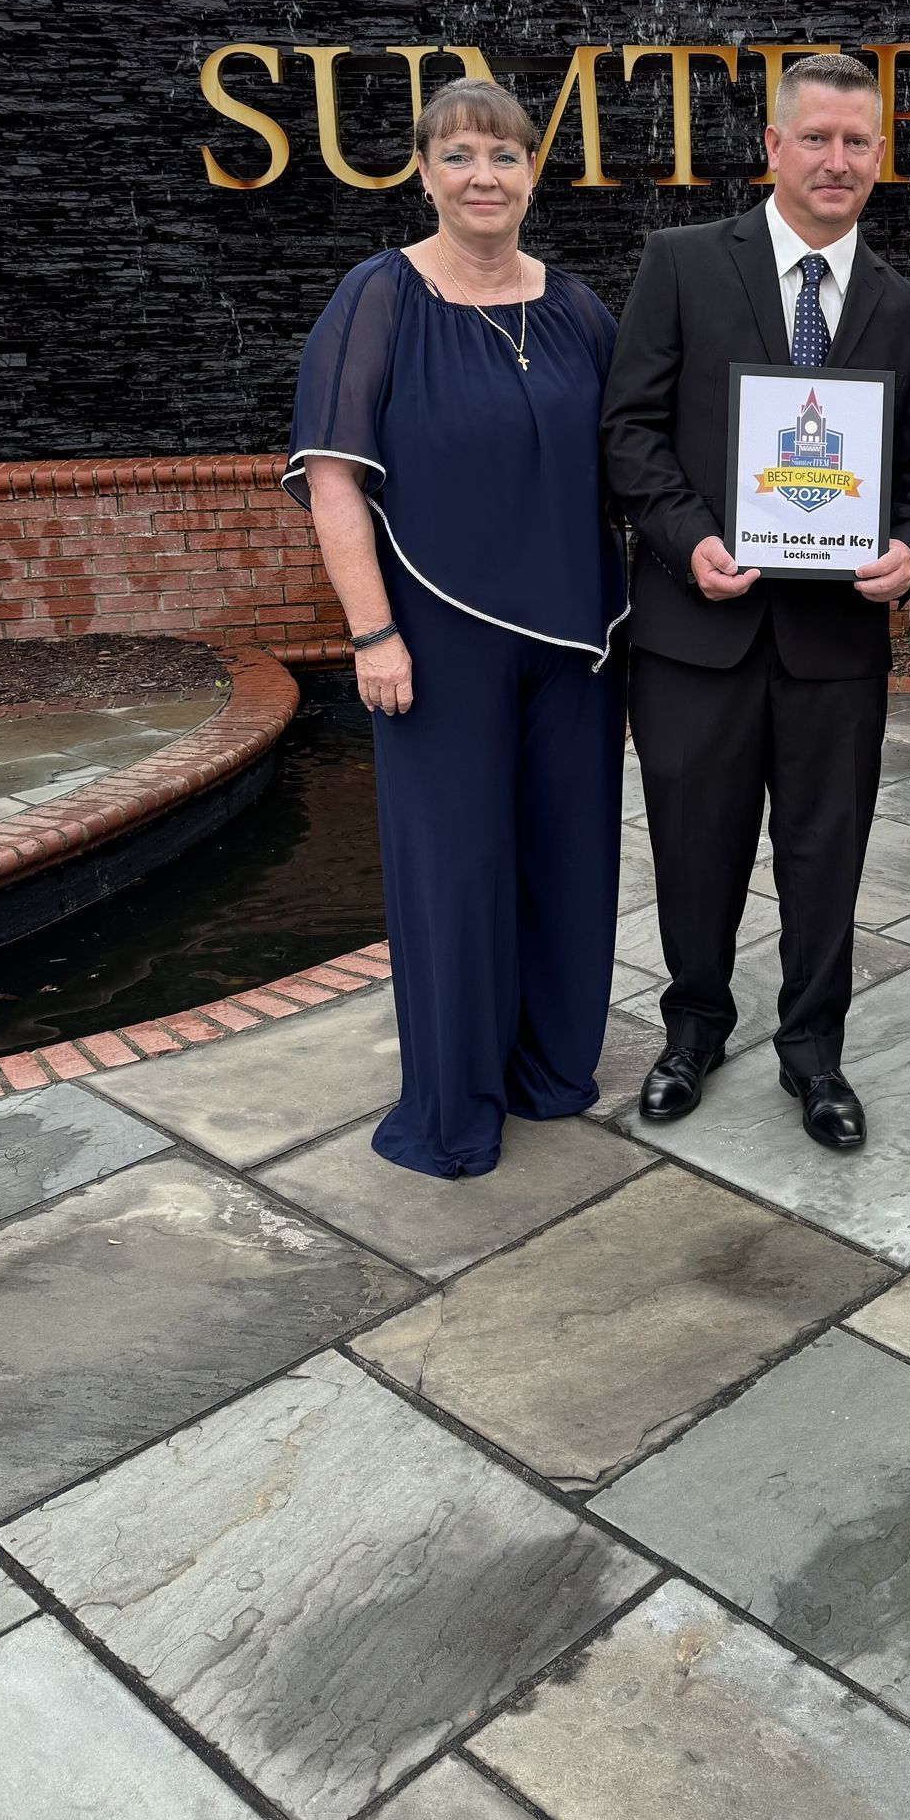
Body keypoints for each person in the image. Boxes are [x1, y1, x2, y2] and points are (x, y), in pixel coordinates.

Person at [603, 53, 910, 1150]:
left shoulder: (906, 309)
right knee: (694, 849)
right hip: (693, 630)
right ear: (773, 146)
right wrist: (689, 536)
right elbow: (629, 430)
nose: (837, 160)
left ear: (880, 156)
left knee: (823, 857)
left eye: (858, 142)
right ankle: (693, 1030)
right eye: (817, 138)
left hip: (832, 647)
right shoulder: (682, 264)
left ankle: (816, 1055)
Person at [284, 76, 627, 1178]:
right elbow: (333, 480)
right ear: (424, 173)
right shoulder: (379, 297)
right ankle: (454, 1104)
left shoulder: (576, 305)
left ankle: (551, 1069)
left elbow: (645, 451)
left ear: (535, 173)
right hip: (437, 641)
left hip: (578, 639)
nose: (485, 177)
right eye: (461, 156)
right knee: (454, 870)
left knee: (569, 858)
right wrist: (372, 635)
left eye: (505, 156)